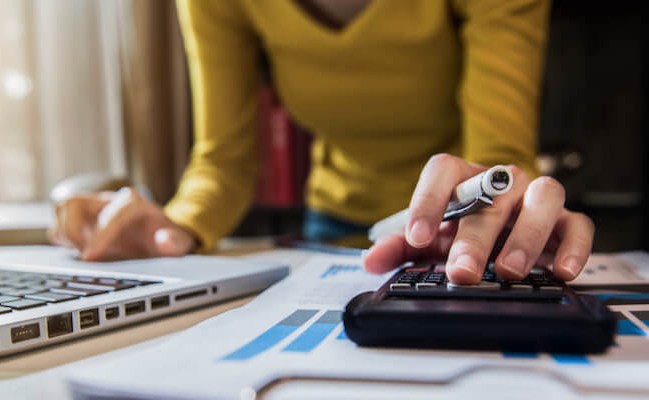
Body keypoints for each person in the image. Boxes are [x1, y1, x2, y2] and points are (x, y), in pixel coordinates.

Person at [51, 0, 595, 285]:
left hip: (461, 226)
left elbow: (499, 154)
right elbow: (223, 159)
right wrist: (176, 226)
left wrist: (501, 201)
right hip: (330, 226)